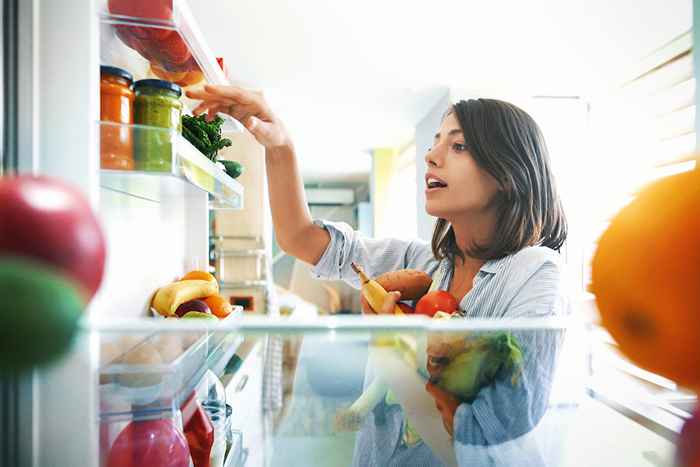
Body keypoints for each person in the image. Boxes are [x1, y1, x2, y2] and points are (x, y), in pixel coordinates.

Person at [187, 85, 570, 466]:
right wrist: (279, 144)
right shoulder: (423, 261)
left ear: (507, 172)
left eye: (458, 146)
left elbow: (482, 442)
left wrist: (391, 349)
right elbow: (299, 238)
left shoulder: (535, 273)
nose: (431, 155)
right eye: (435, 142)